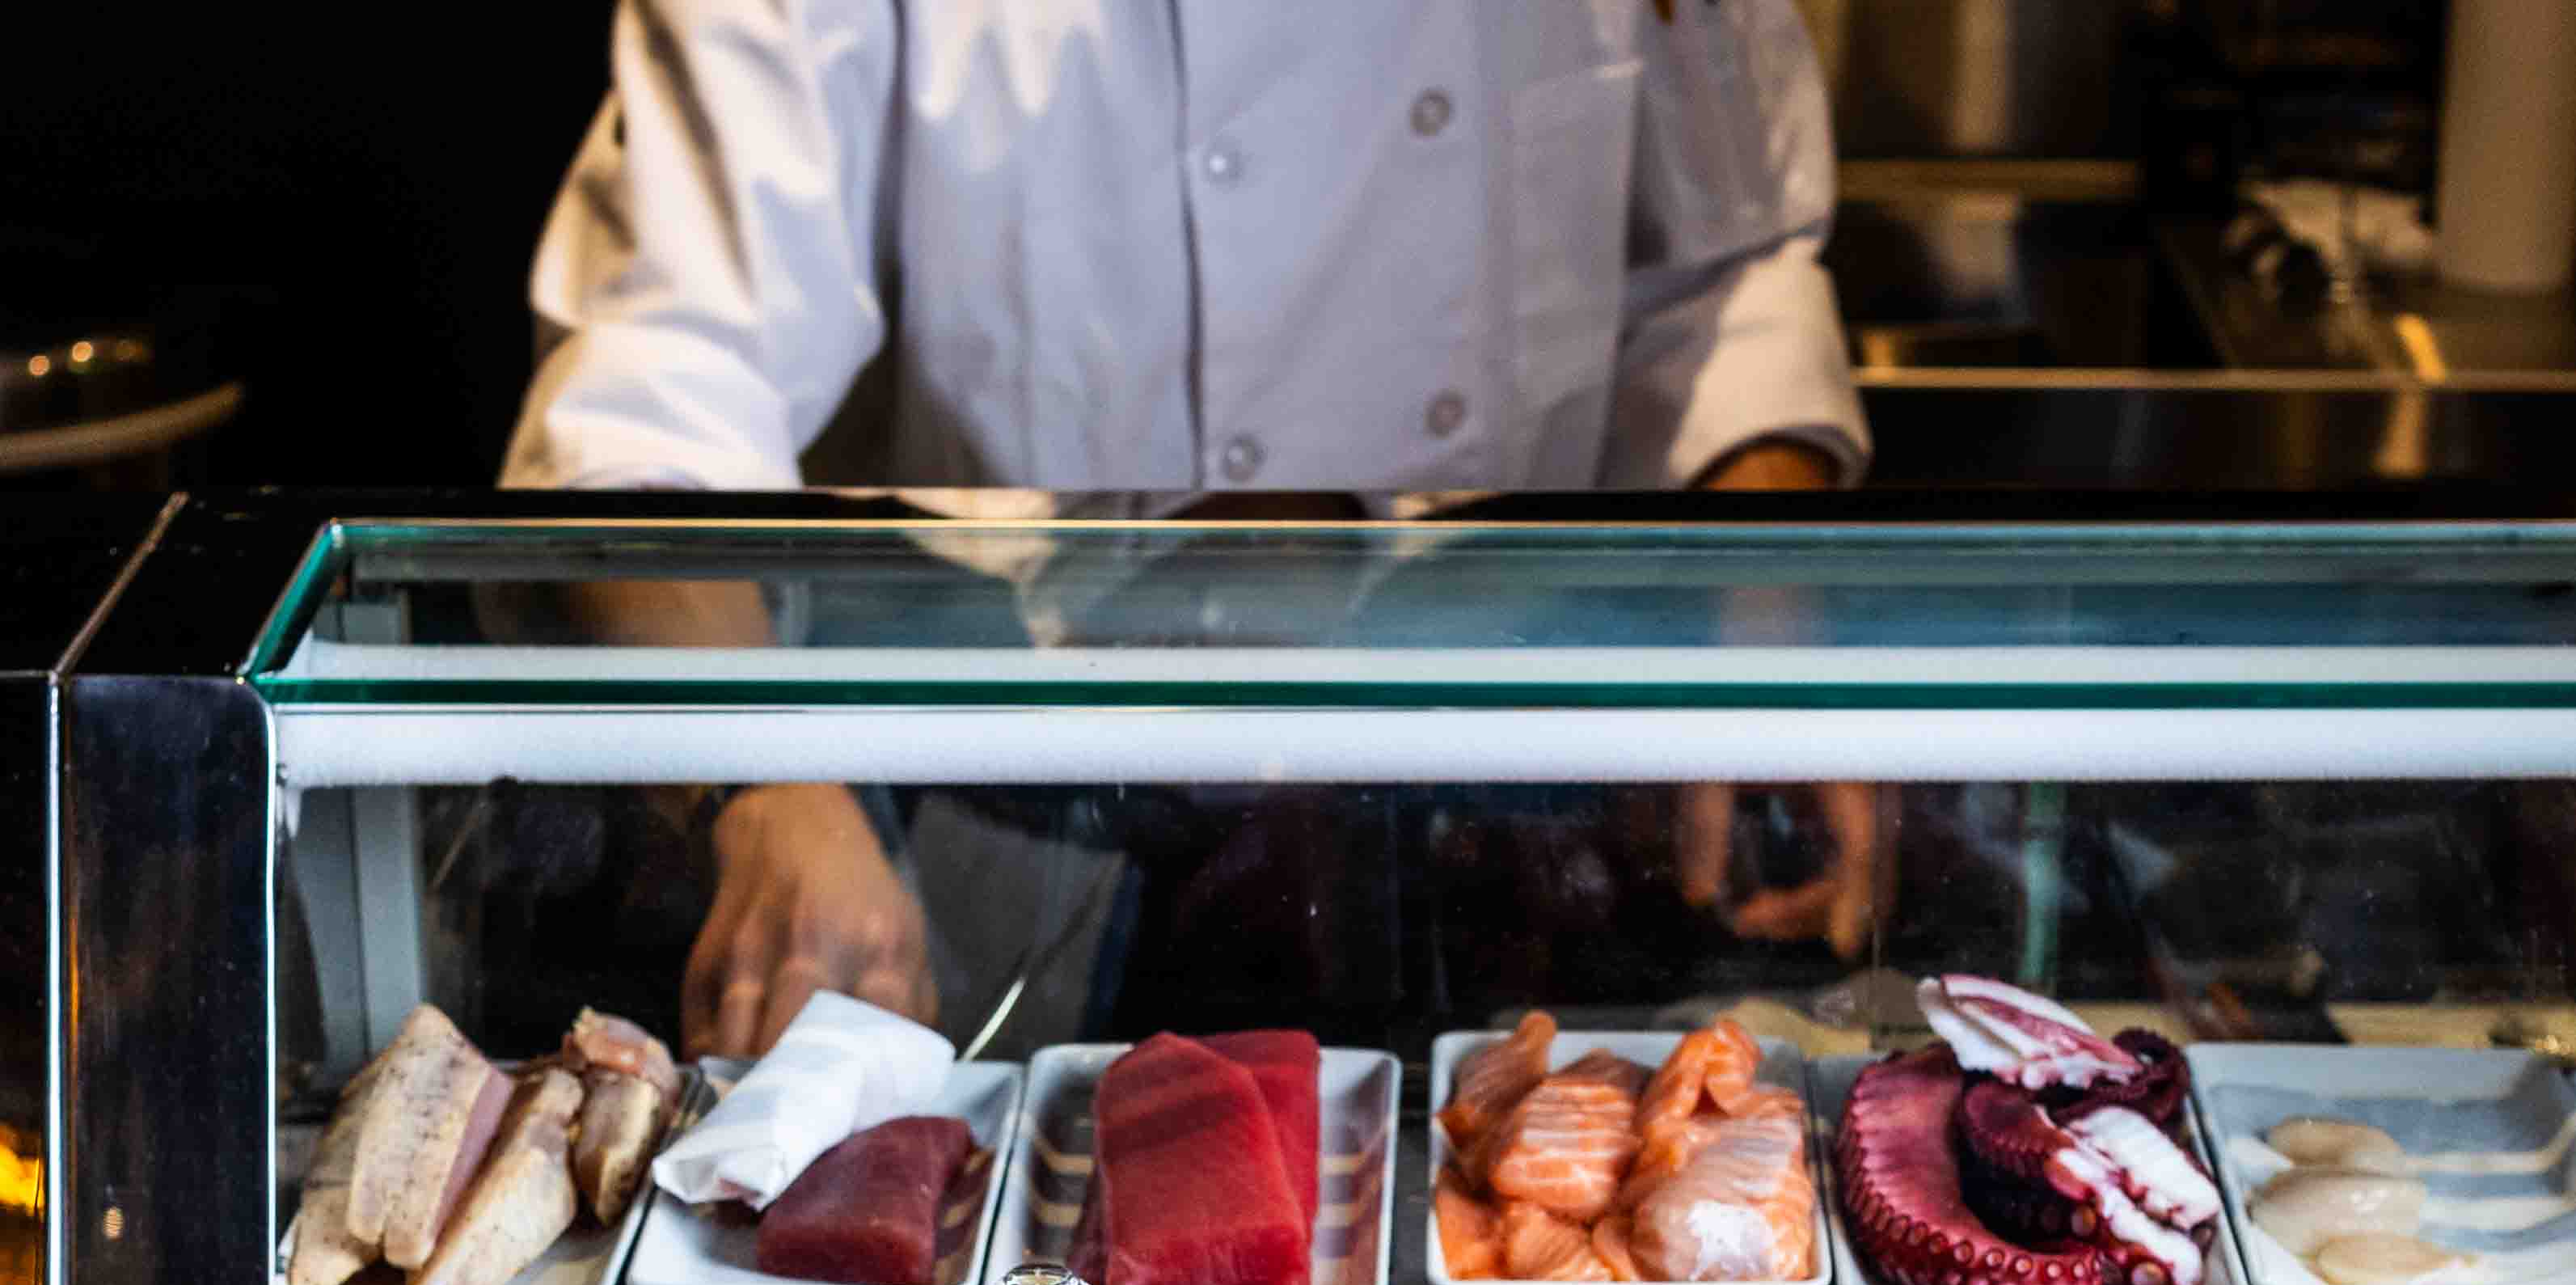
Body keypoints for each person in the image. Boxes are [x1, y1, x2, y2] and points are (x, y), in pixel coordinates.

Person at [504, 0, 1874, 1055]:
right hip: (1013, 795)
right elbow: (656, 381)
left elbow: (1723, 279)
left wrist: (1765, 628)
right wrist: (767, 779)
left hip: (1503, 774)